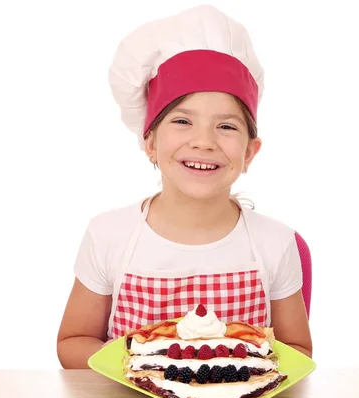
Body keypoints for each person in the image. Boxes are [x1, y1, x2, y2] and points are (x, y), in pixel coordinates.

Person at [57, 5, 313, 369]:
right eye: (182, 121)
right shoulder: (109, 235)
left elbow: (298, 351)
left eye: (226, 127)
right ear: (150, 143)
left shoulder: (275, 242)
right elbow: (72, 343)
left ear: (249, 153)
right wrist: (150, 367)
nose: (203, 141)